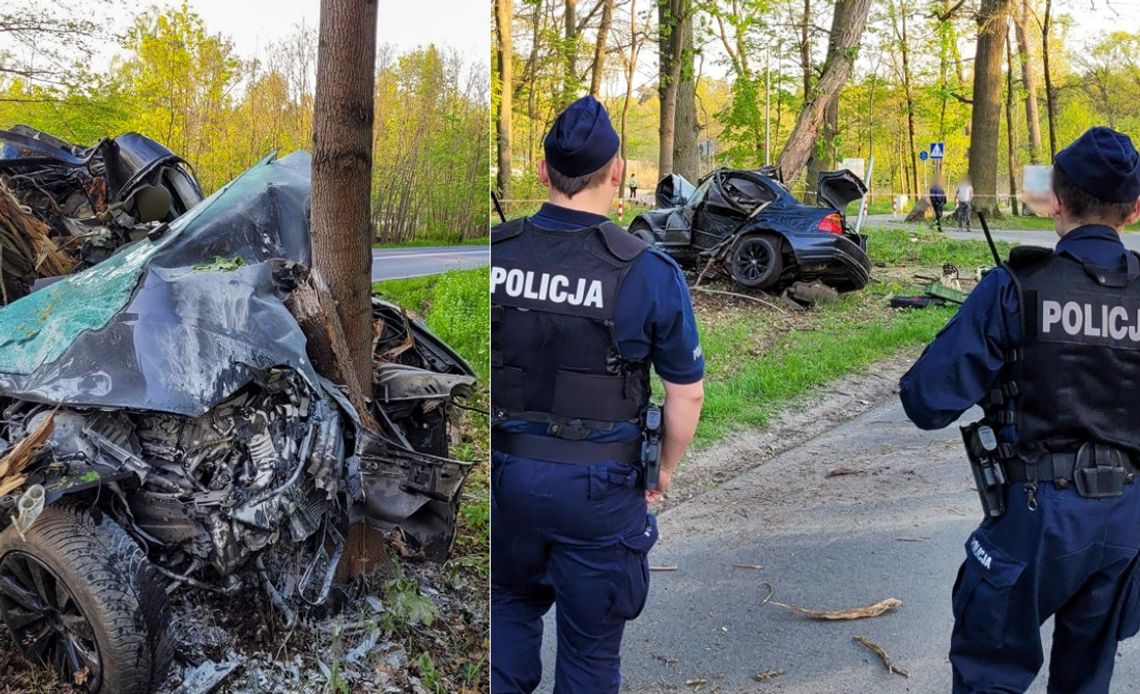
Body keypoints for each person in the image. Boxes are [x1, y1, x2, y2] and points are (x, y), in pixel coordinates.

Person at [899, 126, 1140, 693]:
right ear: (1133, 210)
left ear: (1055, 199)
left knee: (990, 674)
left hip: (1038, 515)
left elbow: (925, 400)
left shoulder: (1015, 287)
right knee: (1087, 680)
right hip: (1127, 517)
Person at [490, 95, 705, 693]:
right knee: (588, 659)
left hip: (505, 477)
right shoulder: (648, 271)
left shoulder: (496, 252)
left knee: (505, 610)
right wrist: (662, 471)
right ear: (616, 173)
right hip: (599, 494)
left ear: (543, 174)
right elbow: (685, 395)